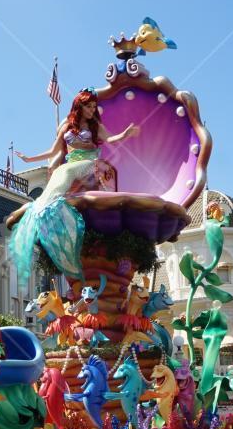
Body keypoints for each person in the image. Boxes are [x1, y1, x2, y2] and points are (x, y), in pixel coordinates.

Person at [9, 88, 139, 287]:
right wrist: (29, 159)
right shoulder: (67, 127)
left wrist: (125, 134)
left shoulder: (95, 126)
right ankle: (43, 206)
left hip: (90, 163)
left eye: (94, 106)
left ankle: (46, 205)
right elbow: (53, 151)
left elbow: (110, 139)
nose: (92, 110)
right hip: (71, 164)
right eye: (89, 106)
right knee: (60, 172)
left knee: (65, 172)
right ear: (80, 106)